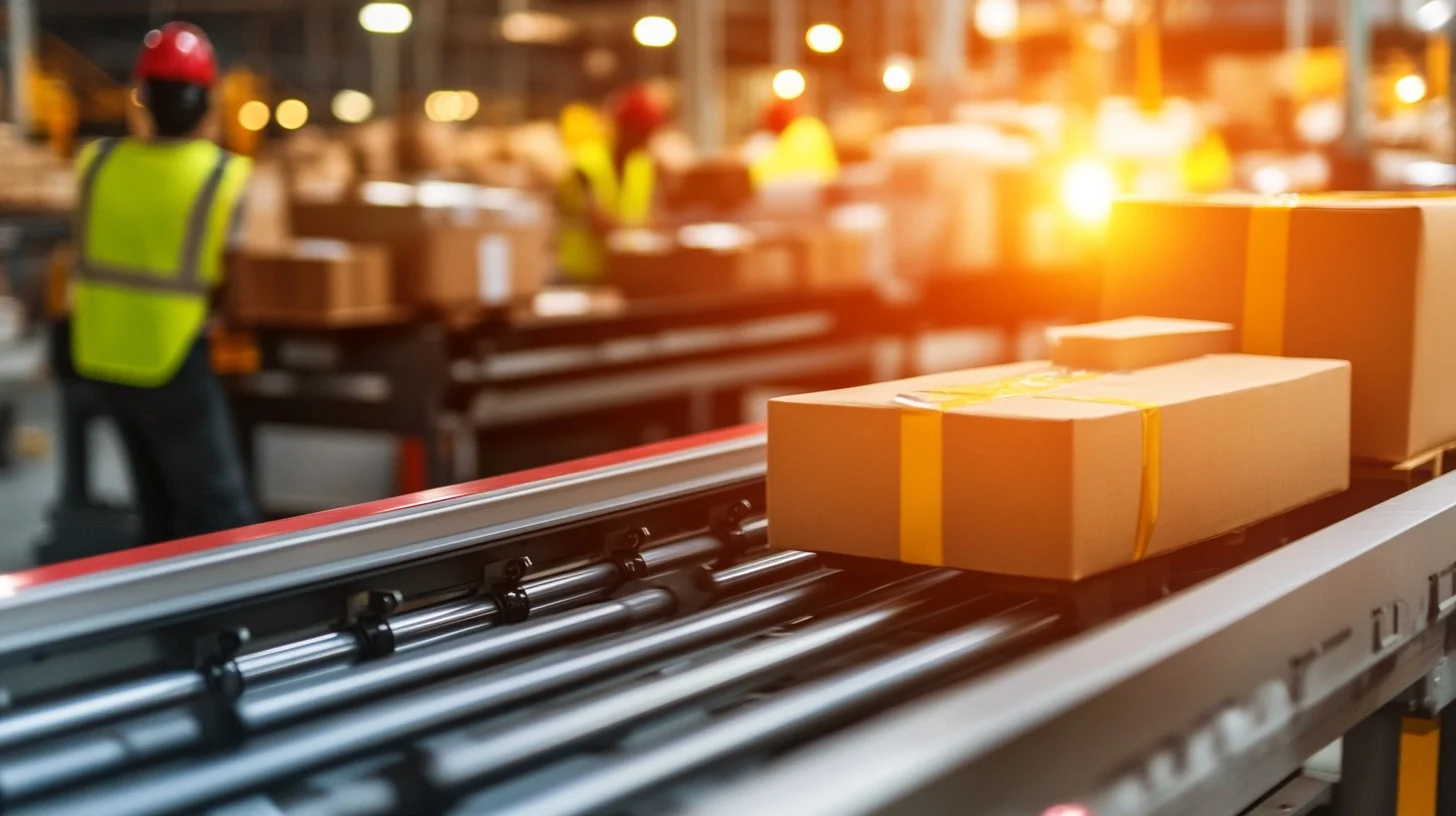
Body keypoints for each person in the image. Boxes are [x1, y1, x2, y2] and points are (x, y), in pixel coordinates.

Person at [68, 22, 256, 544]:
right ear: (208, 100)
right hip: (172, 356)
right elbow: (237, 282)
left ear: (142, 96)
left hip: (103, 355)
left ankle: (169, 621)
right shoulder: (224, 174)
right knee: (217, 505)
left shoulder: (96, 163)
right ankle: (228, 620)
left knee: (157, 501)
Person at [556, 85, 666, 282]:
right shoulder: (587, 163)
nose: (647, 141)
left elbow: (656, 217)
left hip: (624, 272)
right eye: (643, 133)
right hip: (581, 274)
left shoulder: (642, 166)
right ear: (625, 129)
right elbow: (598, 222)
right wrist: (640, 226)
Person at [748, 98, 840, 188]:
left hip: (793, 191)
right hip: (827, 186)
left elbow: (762, 179)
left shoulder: (770, 143)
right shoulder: (815, 126)